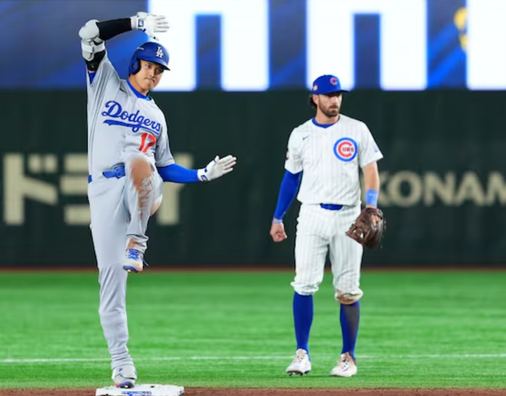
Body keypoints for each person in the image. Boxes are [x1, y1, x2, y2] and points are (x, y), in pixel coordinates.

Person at [79, 11, 237, 388]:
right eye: (150, 65)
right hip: (102, 191)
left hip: (142, 190)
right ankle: (121, 364)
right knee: (110, 282)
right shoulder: (105, 84)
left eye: (161, 69)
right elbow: (88, 33)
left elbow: (164, 166)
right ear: (135, 63)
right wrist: (135, 23)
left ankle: (138, 240)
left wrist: (200, 174)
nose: (155, 73)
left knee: (139, 159)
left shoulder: (156, 116)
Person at [269, 74, 383, 378]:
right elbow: (291, 177)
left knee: (348, 290)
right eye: (329, 95)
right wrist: (278, 216)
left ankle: (348, 357)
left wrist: (370, 205)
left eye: (338, 95)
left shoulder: (356, 129)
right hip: (311, 214)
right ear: (315, 98)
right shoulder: (301, 134)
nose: (335, 100)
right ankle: (302, 353)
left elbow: (370, 170)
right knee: (303, 284)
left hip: (348, 216)